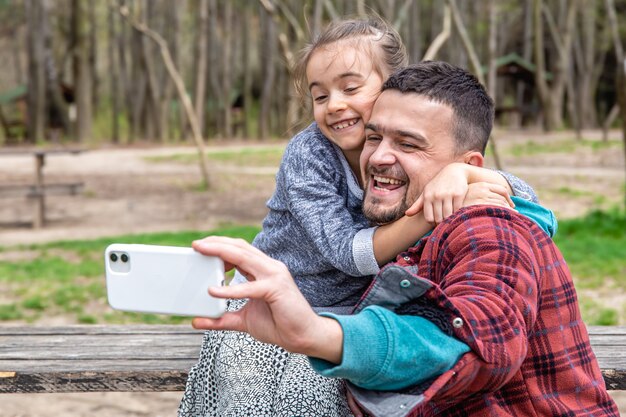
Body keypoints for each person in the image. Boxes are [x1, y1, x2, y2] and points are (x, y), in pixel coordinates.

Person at [189, 62, 619, 417]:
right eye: (373, 137)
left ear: (467, 166)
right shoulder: (408, 222)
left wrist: (319, 335)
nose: (377, 157)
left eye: (408, 144)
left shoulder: (489, 224)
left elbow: (478, 341)